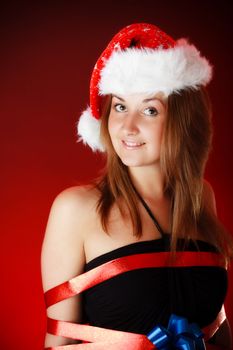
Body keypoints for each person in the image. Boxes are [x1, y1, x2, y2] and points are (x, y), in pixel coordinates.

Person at [41, 23, 233, 349]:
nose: (128, 127)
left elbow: (216, 323)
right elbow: (58, 344)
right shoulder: (75, 209)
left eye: (149, 109)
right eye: (119, 107)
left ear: (182, 120)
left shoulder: (201, 196)